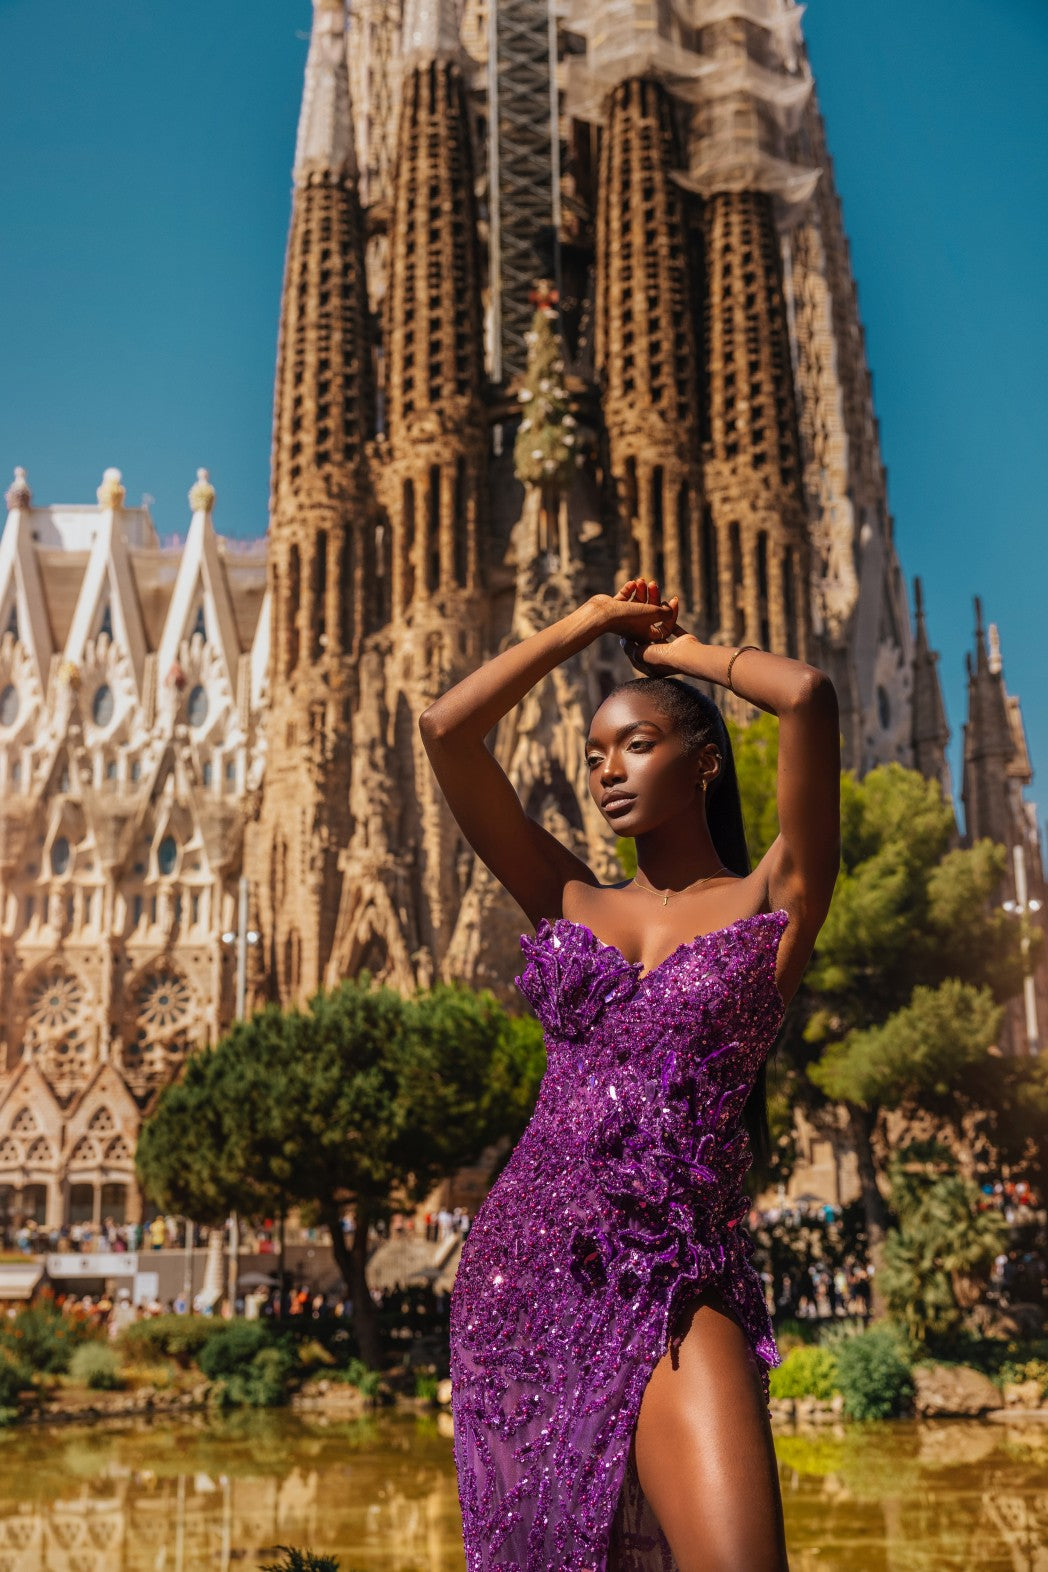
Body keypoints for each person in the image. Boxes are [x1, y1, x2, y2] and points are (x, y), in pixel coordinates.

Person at [419, 578, 840, 1571]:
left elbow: (808, 698)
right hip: (526, 1272)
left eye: (636, 744)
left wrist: (677, 653)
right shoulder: (565, 893)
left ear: (703, 764)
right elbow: (445, 731)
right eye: (595, 753)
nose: (607, 771)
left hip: (678, 1275)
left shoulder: (769, 901)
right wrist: (589, 625)